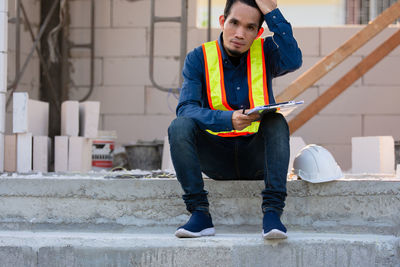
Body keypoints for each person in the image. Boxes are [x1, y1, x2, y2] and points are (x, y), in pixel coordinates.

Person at [168, 0, 302, 239]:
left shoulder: (267, 51)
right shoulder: (198, 58)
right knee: (179, 127)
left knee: (276, 121)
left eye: (250, 27)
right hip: (216, 158)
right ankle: (200, 214)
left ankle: (272, 214)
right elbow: (186, 109)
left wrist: (273, 13)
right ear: (222, 21)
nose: (240, 33)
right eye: (234, 23)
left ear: (259, 32)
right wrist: (226, 119)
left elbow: (293, 60)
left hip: (256, 157)